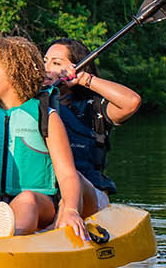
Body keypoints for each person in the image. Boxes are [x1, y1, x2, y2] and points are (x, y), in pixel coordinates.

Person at [0, 36, 85, 241]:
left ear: (14, 74)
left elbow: (67, 174)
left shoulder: (46, 116)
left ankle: (13, 241)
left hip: (39, 202)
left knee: (26, 199)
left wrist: (70, 209)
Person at [43, 39, 142, 215]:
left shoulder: (93, 106)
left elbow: (131, 102)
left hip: (91, 194)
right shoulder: (36, 104)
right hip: (51, 194)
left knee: (76, 179)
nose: (46, 68)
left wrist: (84, 79)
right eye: (45, 61)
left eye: (56, 63)